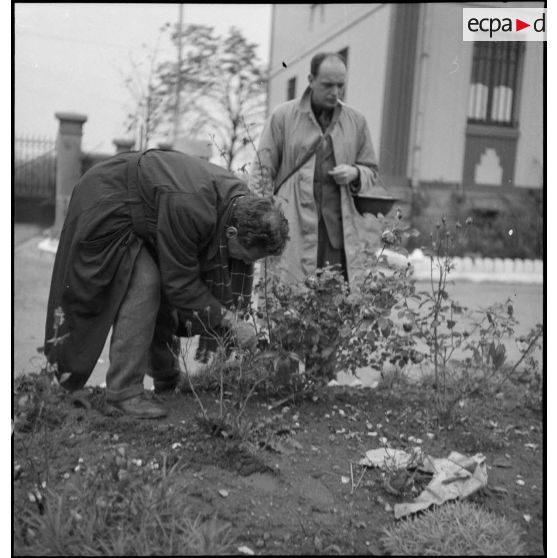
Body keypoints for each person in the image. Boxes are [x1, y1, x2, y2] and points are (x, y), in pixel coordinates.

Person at [44, 148, 289, 419]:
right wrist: (229, 320)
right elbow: (181, 284)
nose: (241, 264)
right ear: (231, 233)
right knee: (146, 285)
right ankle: (123, 393)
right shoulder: (192, 207)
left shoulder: (241, 204)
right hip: (107, 200)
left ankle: (166, 377)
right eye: (243, 257)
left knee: (158, 284)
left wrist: (229, 318)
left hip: (147, 208)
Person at [249, 52, 383, 285]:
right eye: (328, 85)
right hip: (292, 230)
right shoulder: (283, 117)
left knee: (334, 299)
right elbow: (262, 171)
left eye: (341, 85)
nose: (335, 92)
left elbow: (371, 171)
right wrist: (263, 220)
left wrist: (355, 173)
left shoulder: (356, 121)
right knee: (289, 293)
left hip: (337, 239)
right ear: (311, 80)